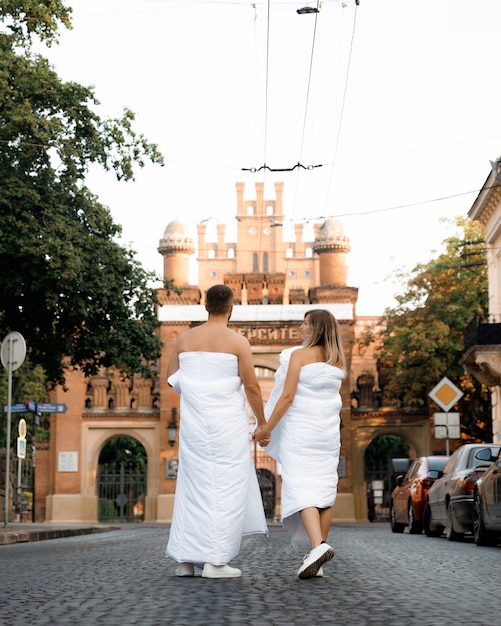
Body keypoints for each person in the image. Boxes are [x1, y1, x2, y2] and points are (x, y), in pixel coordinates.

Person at [166, 284, 268, 579]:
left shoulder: (184, 339)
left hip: (195, 428)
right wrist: (262, 423)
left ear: (205, 306)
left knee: (191, 488)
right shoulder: (238, 342)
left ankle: (185, 560)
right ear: (231, 308)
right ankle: (215, 561)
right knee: (225, 490)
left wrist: (197, 384)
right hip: (227, 429)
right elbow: (251, 386)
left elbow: (171, 378)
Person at [253, 309, 345, 579]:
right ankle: (318, 556)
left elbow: (287, 396)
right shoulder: (336, 362)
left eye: (305, 324)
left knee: (301, 484)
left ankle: (317, 547)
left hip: (302, 433)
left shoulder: (298, 355)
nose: (300, 328)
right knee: (325, 491)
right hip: (327, 434)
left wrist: (266, 428)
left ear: (315, 329)